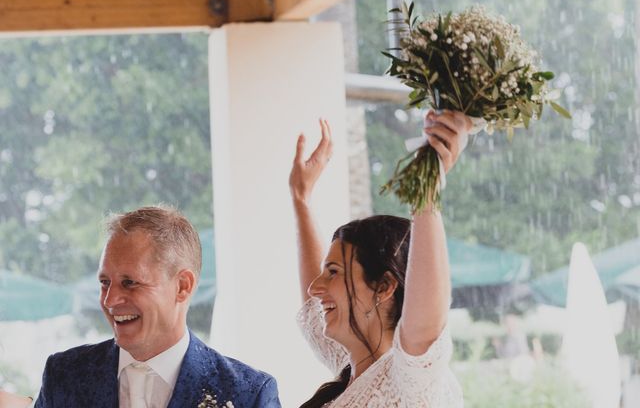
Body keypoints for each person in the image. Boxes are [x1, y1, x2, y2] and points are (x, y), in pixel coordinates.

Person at [289, 112, 468, 407]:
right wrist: (300, 198)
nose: (315, 288)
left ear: (384, 286)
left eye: (333, 272)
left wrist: (426, 190)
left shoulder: (408, 378)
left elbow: (425, 325)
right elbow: (313, 314)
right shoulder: (352, 365)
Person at [34, 206, 281, 408]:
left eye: (129, 283)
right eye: (104, 282)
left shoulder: (248, 395)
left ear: (182, 286)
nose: (110, 300)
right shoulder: (64, 375)